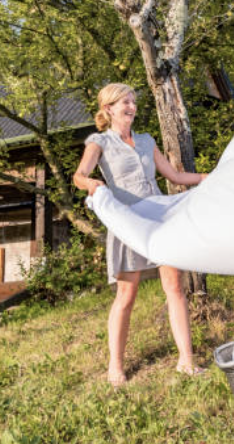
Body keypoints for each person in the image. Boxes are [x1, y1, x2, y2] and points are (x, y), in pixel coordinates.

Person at [73, 83, 207, 387]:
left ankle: (186, 361)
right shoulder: (99, 142)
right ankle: (115, 366)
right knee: (126, 295)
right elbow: (79, 175)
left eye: (133, 101)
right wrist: (91, 184)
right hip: (127, 223)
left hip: (159, 218)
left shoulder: (146, 141)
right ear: (108, 109)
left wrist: (205, 178)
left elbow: (173, 176)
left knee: (174, 286)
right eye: (125, 102)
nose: (132, 107)